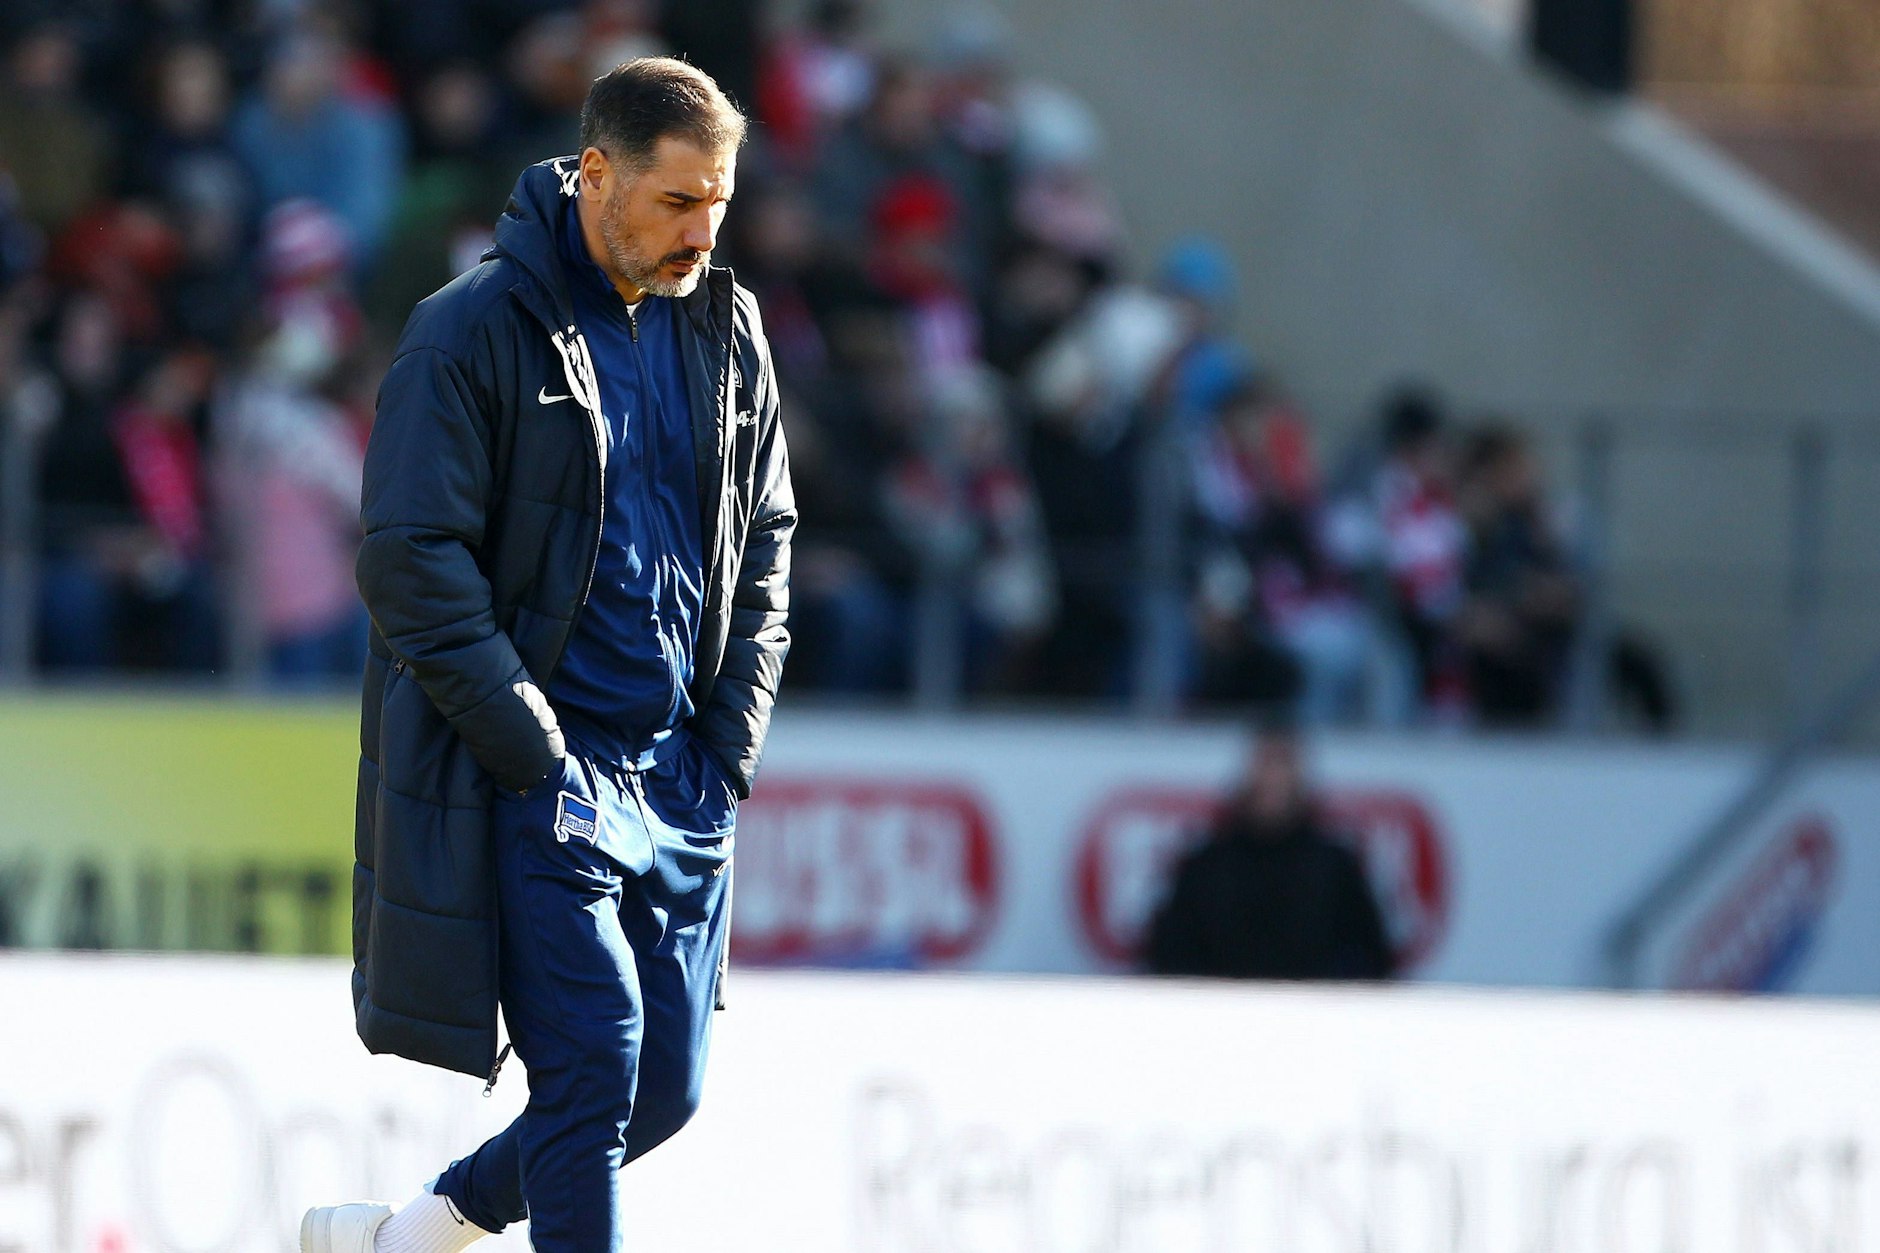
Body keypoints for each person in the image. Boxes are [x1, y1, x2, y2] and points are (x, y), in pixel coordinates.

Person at [301, 58, 795, 1253]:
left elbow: (767, 538)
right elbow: (408, 559)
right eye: (677, 202)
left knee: (661, 1092)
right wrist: (533, 749)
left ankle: (408, 1237)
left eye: (718, 202)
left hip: (678, 774)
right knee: (594, 1067)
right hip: (550, 771)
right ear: (596, 175)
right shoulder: (467, 329)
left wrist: (725, 749)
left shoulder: (727, 327)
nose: (702, 232)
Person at [1143, 727, 1393, 980]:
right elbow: (1169, 955)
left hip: (1312, 1003)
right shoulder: (1205, 866)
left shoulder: (1336, 868)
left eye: (1283, 762)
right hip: (1221, 1003)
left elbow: (1370, 957)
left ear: (1300, 777)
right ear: (1246, 776)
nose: (1274, 777)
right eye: (1265, 763)